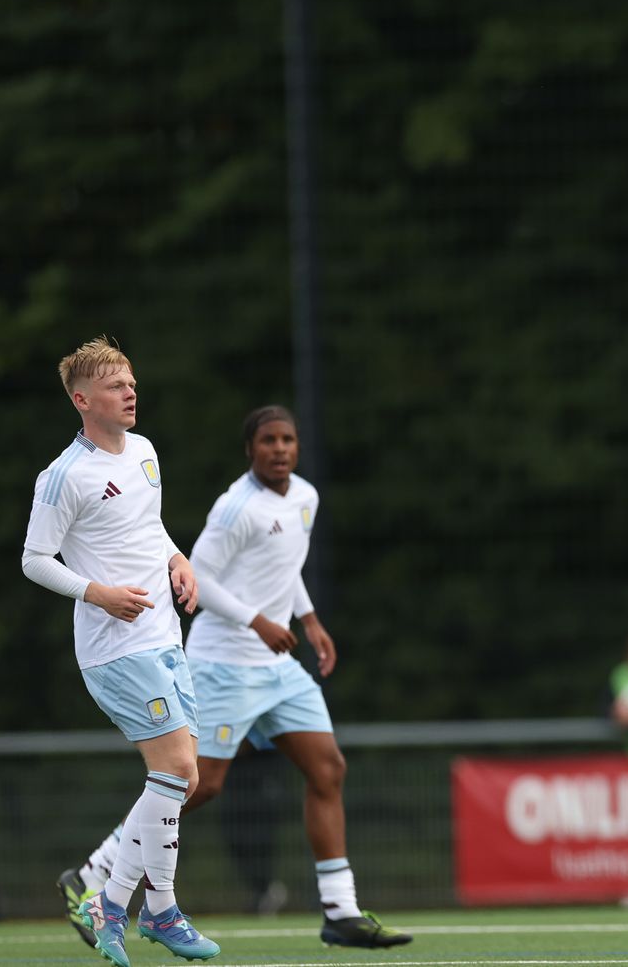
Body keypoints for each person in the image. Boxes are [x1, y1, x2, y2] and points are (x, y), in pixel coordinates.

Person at [59, 405, 410, 949]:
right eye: (268, 440)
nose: (279, 448)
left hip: (279, 665)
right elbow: (203, 578)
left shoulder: (306, 498)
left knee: (328, 768)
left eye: (287, 439)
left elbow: (286, 568)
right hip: (223, 663)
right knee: (197, 785)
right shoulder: (234, 508)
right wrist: (259, 621)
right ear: (251, 449)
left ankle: (341, 911)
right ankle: (95, 874)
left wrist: (310, 619)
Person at [23, 336, 219, 966]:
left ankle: (121, 901)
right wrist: (99, 593)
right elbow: (34, 560)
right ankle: (148, 906)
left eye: (130, 381)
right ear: (82, 400)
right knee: (175, 773)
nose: (129, 391)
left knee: (181, 776)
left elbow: (148, 525)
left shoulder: (144, 451)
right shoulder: (62, 476)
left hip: (165, 636)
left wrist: (177, 556)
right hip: (116, 647)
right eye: (114, 385)